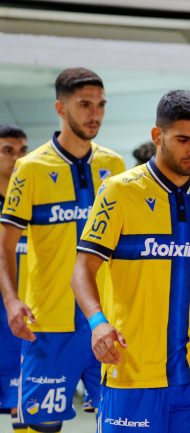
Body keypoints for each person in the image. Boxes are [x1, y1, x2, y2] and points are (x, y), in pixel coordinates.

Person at [70, 89, 190, 433]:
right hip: (131, 373)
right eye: (183, 140)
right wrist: (97, 322)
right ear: (157, 135)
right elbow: (82, 270)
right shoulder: (119, 192)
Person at [0, 68, 125, 433]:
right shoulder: (30, 168)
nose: (95, 114)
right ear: (60, 107)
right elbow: (5, 244)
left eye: (101, 105)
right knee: (41, 427)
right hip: (49, 326)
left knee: (116, 423)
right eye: (84, 104)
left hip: (105, 325)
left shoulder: (113, 165)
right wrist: (11, 301)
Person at [0, 124, 28, 433]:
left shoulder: (33, 205)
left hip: (23, 315)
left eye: (22, 150)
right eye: (8, 151)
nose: (17, 158)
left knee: (22, 407)